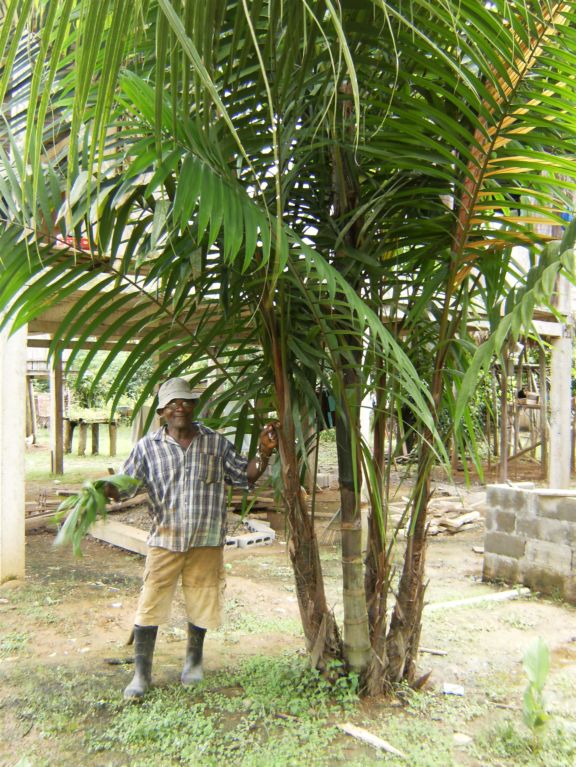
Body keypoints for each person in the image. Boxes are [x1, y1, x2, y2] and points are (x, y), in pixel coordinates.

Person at [107, 377, 278, 700]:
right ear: (162, 411)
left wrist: (264, 452)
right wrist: (106, 489)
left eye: (185, 401)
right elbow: (125, 487)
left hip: (206, 538)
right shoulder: (147, 448)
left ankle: (193, 662)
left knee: (202, 600)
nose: (179, 408)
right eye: (172, 403)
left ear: (195, 406)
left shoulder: (215, 443)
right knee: (150, 603)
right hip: (165, 540)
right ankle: (141, 675)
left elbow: (246, 475)